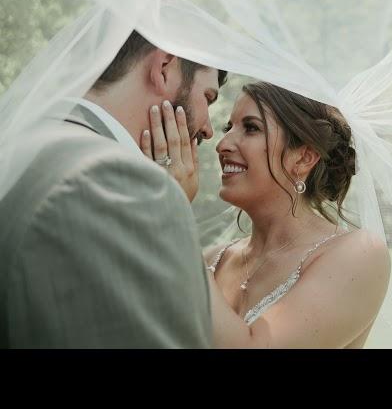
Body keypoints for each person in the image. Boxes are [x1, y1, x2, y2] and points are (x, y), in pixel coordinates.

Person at [0, 30, 226, 348]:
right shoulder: (117, 184)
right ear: (163, 67)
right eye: (208, 98)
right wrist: (166, 199)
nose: (207, 128)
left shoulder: (24, 139)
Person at [146, 81, 390, 348]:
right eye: (229, 128)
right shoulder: (207, 259)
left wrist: (173, 210)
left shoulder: (359, 254)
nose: (223, 144)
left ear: (304, 158)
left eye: (251, 128)